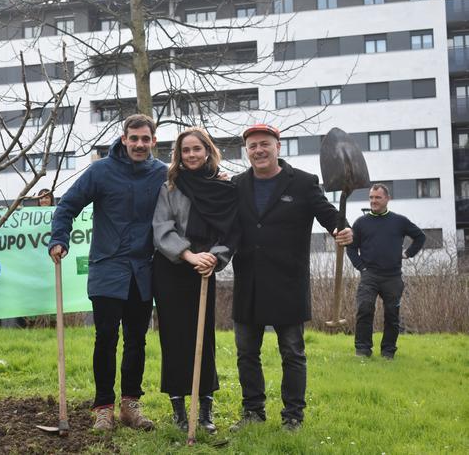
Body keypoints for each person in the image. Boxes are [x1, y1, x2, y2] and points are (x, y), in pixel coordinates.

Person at [230, 124, 353, 431]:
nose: (258, 150)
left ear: (278, 147)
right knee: (247, 354)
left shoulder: (303, 182)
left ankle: (293, 417)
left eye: (264, 144)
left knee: (293, 353)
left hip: (288, 281)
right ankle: (253, 412)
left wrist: (343, 229)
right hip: (249, 282)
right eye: (253, 146)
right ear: (247, 151)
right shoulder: (236, 185)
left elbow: (329, 216)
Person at [49, 114, 167, 431]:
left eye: (145, 139)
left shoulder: (162, 174)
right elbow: (67, 206)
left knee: (136, 341)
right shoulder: (101, 171)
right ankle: (103, 408)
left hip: (143, 272)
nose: (139, 144)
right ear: (124, 139)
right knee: (105, 339)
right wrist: (59, 238)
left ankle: (130, 405)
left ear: (153, 141)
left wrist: (219, 176)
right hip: (107, 271)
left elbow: (194, 188)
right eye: (134, 138)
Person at [152, 128, 238, 433]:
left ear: (207, 151)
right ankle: (178, 409)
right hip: (173, 267)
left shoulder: (224, 187)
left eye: (196, 149)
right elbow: (162, 227)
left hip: (206, 267)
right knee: (174, 338)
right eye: (185, 150)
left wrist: (213, 258)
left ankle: (204, 412)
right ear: (179, 154)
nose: (191, 155)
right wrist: (189, 256)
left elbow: (229, 231)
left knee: (204, 338)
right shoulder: (170, 187)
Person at [346, 183, 425, 360]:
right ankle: (363, 350)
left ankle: (388, 352)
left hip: (393, 277)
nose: (373, 201)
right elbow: (350, 248)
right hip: (370, 276)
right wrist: (361, 267)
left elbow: (420, 237)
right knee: (364, 309)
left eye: (377, 198)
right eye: (371, 197)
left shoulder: (399, 221)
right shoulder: (361, 223)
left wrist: (408, 253)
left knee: (392, 315)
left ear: (387, 199)